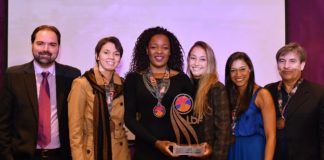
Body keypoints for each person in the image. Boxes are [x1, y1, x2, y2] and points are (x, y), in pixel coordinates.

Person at [0, 25, 81, 160]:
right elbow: (3, 124)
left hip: (61, 155)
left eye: (52, 45)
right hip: (23, 156)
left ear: (58, 48)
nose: (46, 49)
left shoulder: (72, 76)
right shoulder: (13, 76)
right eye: (40, 43)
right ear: (32, 44)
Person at [124, 26, 198, 160]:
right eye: (154, 47)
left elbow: (191, 119)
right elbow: (129, 119)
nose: (159, 51)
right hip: (145, 151)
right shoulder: (133, 79)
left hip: (176, 152)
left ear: (170, 52)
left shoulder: (182, 80)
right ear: (146, 50)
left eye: (165, 47)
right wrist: (156, 143)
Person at [68, 36, 130, 160]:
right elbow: (75, 131)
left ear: (120, 59)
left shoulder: (123, 85)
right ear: (97, 55)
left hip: (120, 152)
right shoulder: (82, 83)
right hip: (92, 151)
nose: (111, 57)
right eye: (106, 52)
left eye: (116, 54)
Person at [265, 42, 324, 160]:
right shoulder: (267, 91)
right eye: (282, 61)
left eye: (292, 61)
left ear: (302, 65)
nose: (286, 66)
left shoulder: (319, 93)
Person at [225, 52, 276, 160]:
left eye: (242, 69)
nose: (238, 74)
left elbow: (271, 135)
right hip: (232, 150)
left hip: (253, 151)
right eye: (233, 70)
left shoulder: (263, 94)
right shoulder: (228, 95)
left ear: (250, 70)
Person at [187, 41, 230, 160]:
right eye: (193, 58)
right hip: (186, 154)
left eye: (202, 59)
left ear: (209, 63)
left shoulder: (217, 89)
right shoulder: (185, 87)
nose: (196, 63)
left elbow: (223, 134)